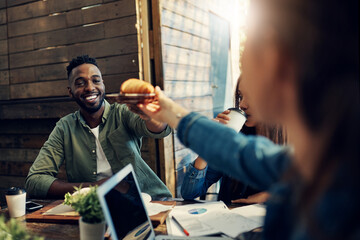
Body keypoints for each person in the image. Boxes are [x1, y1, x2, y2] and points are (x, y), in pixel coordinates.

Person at [138, 0, 359, 238]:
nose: (242, 102)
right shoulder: (318, 165)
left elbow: (242, 154)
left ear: (273, 56)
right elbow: (239, 152)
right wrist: (170, 112)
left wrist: (172, 113)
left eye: (248, 41)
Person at [25, 55, 172, 199]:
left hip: (147, 201)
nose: (90, 88)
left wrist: (155, 115)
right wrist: (93, 187)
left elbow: (158, 128)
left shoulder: (122, 113)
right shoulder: (65, 128)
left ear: (103, 84)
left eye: (96, 80)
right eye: (80, 83)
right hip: (95, 208)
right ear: (70, 91)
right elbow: (34, 181)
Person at [181, 77, 286, 204]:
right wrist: (208, 141)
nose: (242, 105)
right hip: (229, 220)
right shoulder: (235, 138)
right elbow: (189, 193)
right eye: (240, 96)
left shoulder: (296, 141)